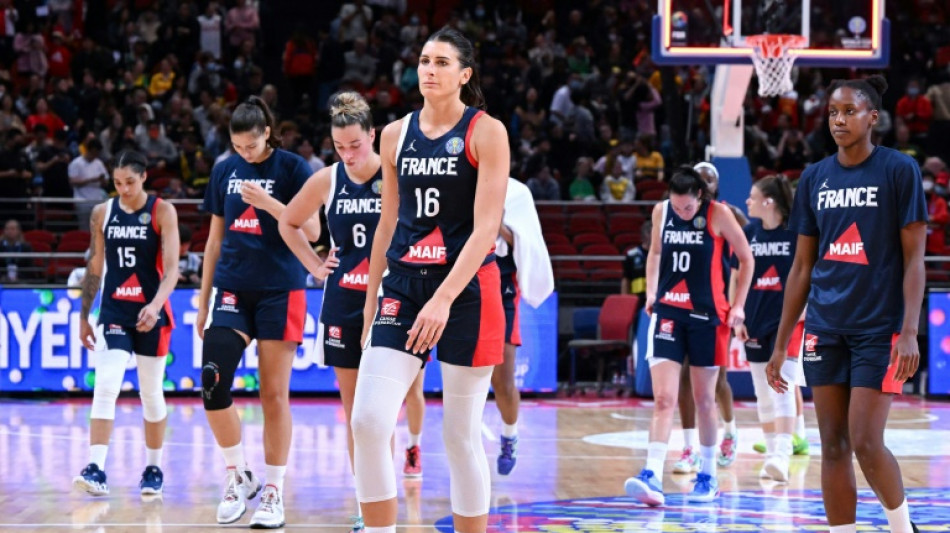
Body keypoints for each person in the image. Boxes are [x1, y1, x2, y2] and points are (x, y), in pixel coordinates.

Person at [350, 26, 509, 533]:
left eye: (442, 62)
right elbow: (387, 222)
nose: (429, 70)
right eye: (424, 60)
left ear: (464, 75)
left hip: (466, 291)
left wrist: (442, 299)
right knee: (368, 421)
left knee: (459, 437)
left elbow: (486, 228)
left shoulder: (486, 131)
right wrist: (371, 299)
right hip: (403, 286)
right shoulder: (395, 134)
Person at [768, 76, 925, 533]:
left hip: (879, 327)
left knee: (865, 441)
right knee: (832, 446)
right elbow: (801, 267)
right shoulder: (815, 177)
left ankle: (903, 529)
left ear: (873, 117)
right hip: (824, 326)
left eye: (849, 111)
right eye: (833, 113)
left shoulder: (898, 170)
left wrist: (909, 331)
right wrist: (781, 343)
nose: (839, 120)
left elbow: (915, 259)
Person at [277, 91, 425, 531]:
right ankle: (367, 504)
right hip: (343, 302)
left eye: (356, 145)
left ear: (373, 136)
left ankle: (387, 497)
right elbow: (288, 221)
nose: (348, 154)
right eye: (340, 146)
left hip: (392, 301)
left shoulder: (396, 175)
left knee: (383, 412)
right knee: (357, 414)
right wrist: (314, 265)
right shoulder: (328, 179)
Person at [196, 96, 320, 528]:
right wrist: (203, 301)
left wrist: (270, 203)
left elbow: (313, 230)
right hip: (232, 287)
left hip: (280, 290)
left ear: (267, 133)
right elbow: (214, 241)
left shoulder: (292, 169)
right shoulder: (223, 171)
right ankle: (237, 474)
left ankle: (273, 490)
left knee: (273, 396)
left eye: (250, 146)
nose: (244, 154)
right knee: (212, 380)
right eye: (237, 147)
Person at [625, 166, 753, 505]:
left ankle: (708, 476)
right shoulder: (661, 212)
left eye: (688, 207)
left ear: (700, 196)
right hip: (669, 312)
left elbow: (746, 258)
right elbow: (655, 253)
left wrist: (739, 305)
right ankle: (652, 473)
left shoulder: (719, 214)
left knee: (705, 399)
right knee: (664, 398)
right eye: (676, 206)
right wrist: (651, 292)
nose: (682, 212)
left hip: (708, 316)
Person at [73, 150, 180, 498]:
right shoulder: (102, 212)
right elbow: (95, 266)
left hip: (151, 313)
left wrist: (155, 305)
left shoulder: (162, 211)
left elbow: (173, 270)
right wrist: (84, 316)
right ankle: (96, 468)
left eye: (130, 182)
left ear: (144, 177)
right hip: (115, 312)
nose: (124, 189)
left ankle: (153, 468)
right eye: (118, 183)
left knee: (151, 393)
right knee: (106, 385)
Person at [672, 162, 743, 474]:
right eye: (701, 178)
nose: (705, 182)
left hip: (716, 306)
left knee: (718, 381)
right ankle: (689, 447)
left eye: (710, 178)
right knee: (684, 377)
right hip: (682, 304)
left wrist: (739, 303)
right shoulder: (680, 214)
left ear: (716, 184)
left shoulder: (726, 213)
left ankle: (730, 431)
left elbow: (749, 249)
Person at [730, 174, 800, 482]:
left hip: (788, 322)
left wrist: (806, 309)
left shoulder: (797, 233)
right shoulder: (749, 233)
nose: (748, 201)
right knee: (762, 391)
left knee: (782, 386)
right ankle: (772, 455)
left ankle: (782, 455)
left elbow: (810, 273)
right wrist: (737, 313)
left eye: (753, 197)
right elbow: (735, 276)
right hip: (754, 320)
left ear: (768, 202)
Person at [492, 177, 555, 475]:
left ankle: (509, 436)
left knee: (502, 380)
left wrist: (497, 226)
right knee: (466, 377)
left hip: (502, 285)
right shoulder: (457, 179)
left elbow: (528, 247)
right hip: (465, 284)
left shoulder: (517, 192)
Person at [0, 219, 32, 283]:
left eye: (13, 229)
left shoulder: (26, 247)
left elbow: (29, 267)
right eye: (7, 229)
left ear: (18, 231)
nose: (10, 231)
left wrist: (19, 277)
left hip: (21, 279)